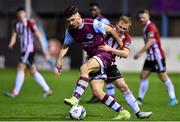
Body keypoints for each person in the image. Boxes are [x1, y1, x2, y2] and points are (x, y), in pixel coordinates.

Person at [56, 5, 131, 120]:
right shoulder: (70, 31)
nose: (71, 23)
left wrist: (121, 44)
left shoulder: (92, 24)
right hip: (93, 58)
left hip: (104, 55)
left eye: (72, 20)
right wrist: (59, 59)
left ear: (78, 16)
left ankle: (75, 98)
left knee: (84, 68)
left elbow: (110, 29)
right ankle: (123, 112)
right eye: (68, 21)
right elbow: (65, 47)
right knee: (97, 92)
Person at [134, 9, 178, 106]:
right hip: (150, 57)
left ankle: (173, 98)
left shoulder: (150, 27)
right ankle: (140, 99)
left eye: (144, 17)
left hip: (157, 57)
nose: (141, 19)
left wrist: (140, 53)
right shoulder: (145, 27)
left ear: (148, 17)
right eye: (140, 17)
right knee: (143, 75)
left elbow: (150, 42)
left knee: (163, 77)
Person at [6, 7, 52, 98]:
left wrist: (44, 50)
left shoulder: (29, 22)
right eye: (19, 14)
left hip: (29, 49)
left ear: (25, 14)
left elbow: (39, 35)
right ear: (17, 15)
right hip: (24, 50)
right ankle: (47, 89)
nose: (20, 15)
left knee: (20, 67)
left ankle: (15, 92)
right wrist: (11, 42)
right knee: (32, 71)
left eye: (22, 13)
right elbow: (14, 35)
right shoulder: (16, 24)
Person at [87, 2, 116, 103]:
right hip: (95, 50)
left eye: (94, 9)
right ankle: (97, 94)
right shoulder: (92, 21)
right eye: (91, 10)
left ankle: (110, 95)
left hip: (102, 50)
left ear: (99, 10)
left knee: (105, 73)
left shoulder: (104, 20)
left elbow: (108, 34)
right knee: (94, 73)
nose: (92, 11)